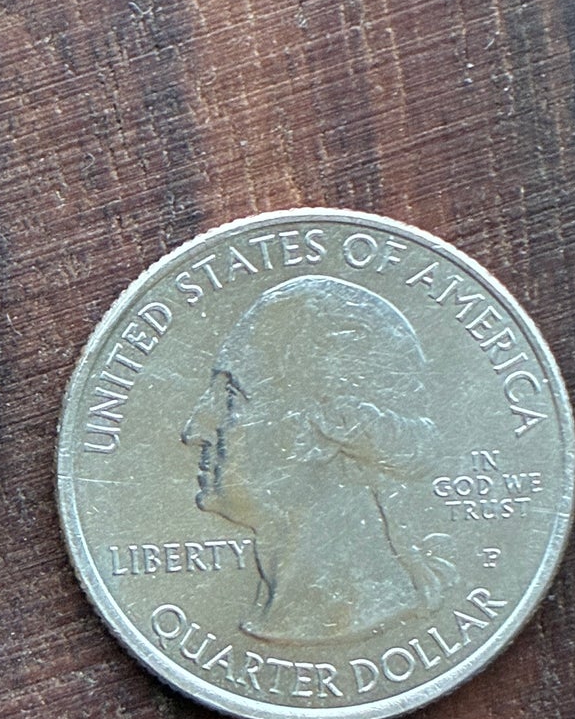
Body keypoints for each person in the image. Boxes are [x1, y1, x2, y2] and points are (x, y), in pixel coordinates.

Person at [181, 274, 454, 644]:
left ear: (325, 428)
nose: (194, 431)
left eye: (230, 395)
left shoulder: (355, 613)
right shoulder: (290, 614)